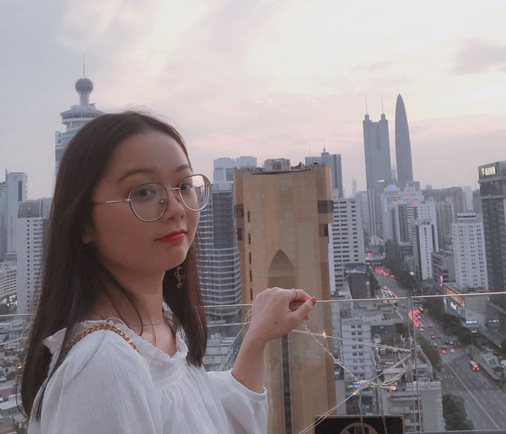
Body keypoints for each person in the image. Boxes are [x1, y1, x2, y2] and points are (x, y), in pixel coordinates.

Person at [19, 111, 316, 433]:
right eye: (143, 192)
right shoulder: (103, 368)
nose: (176, 209)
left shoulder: (161, 325)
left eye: (184, 185)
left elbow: (207, 417)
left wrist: (256, 338)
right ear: (82, 223)